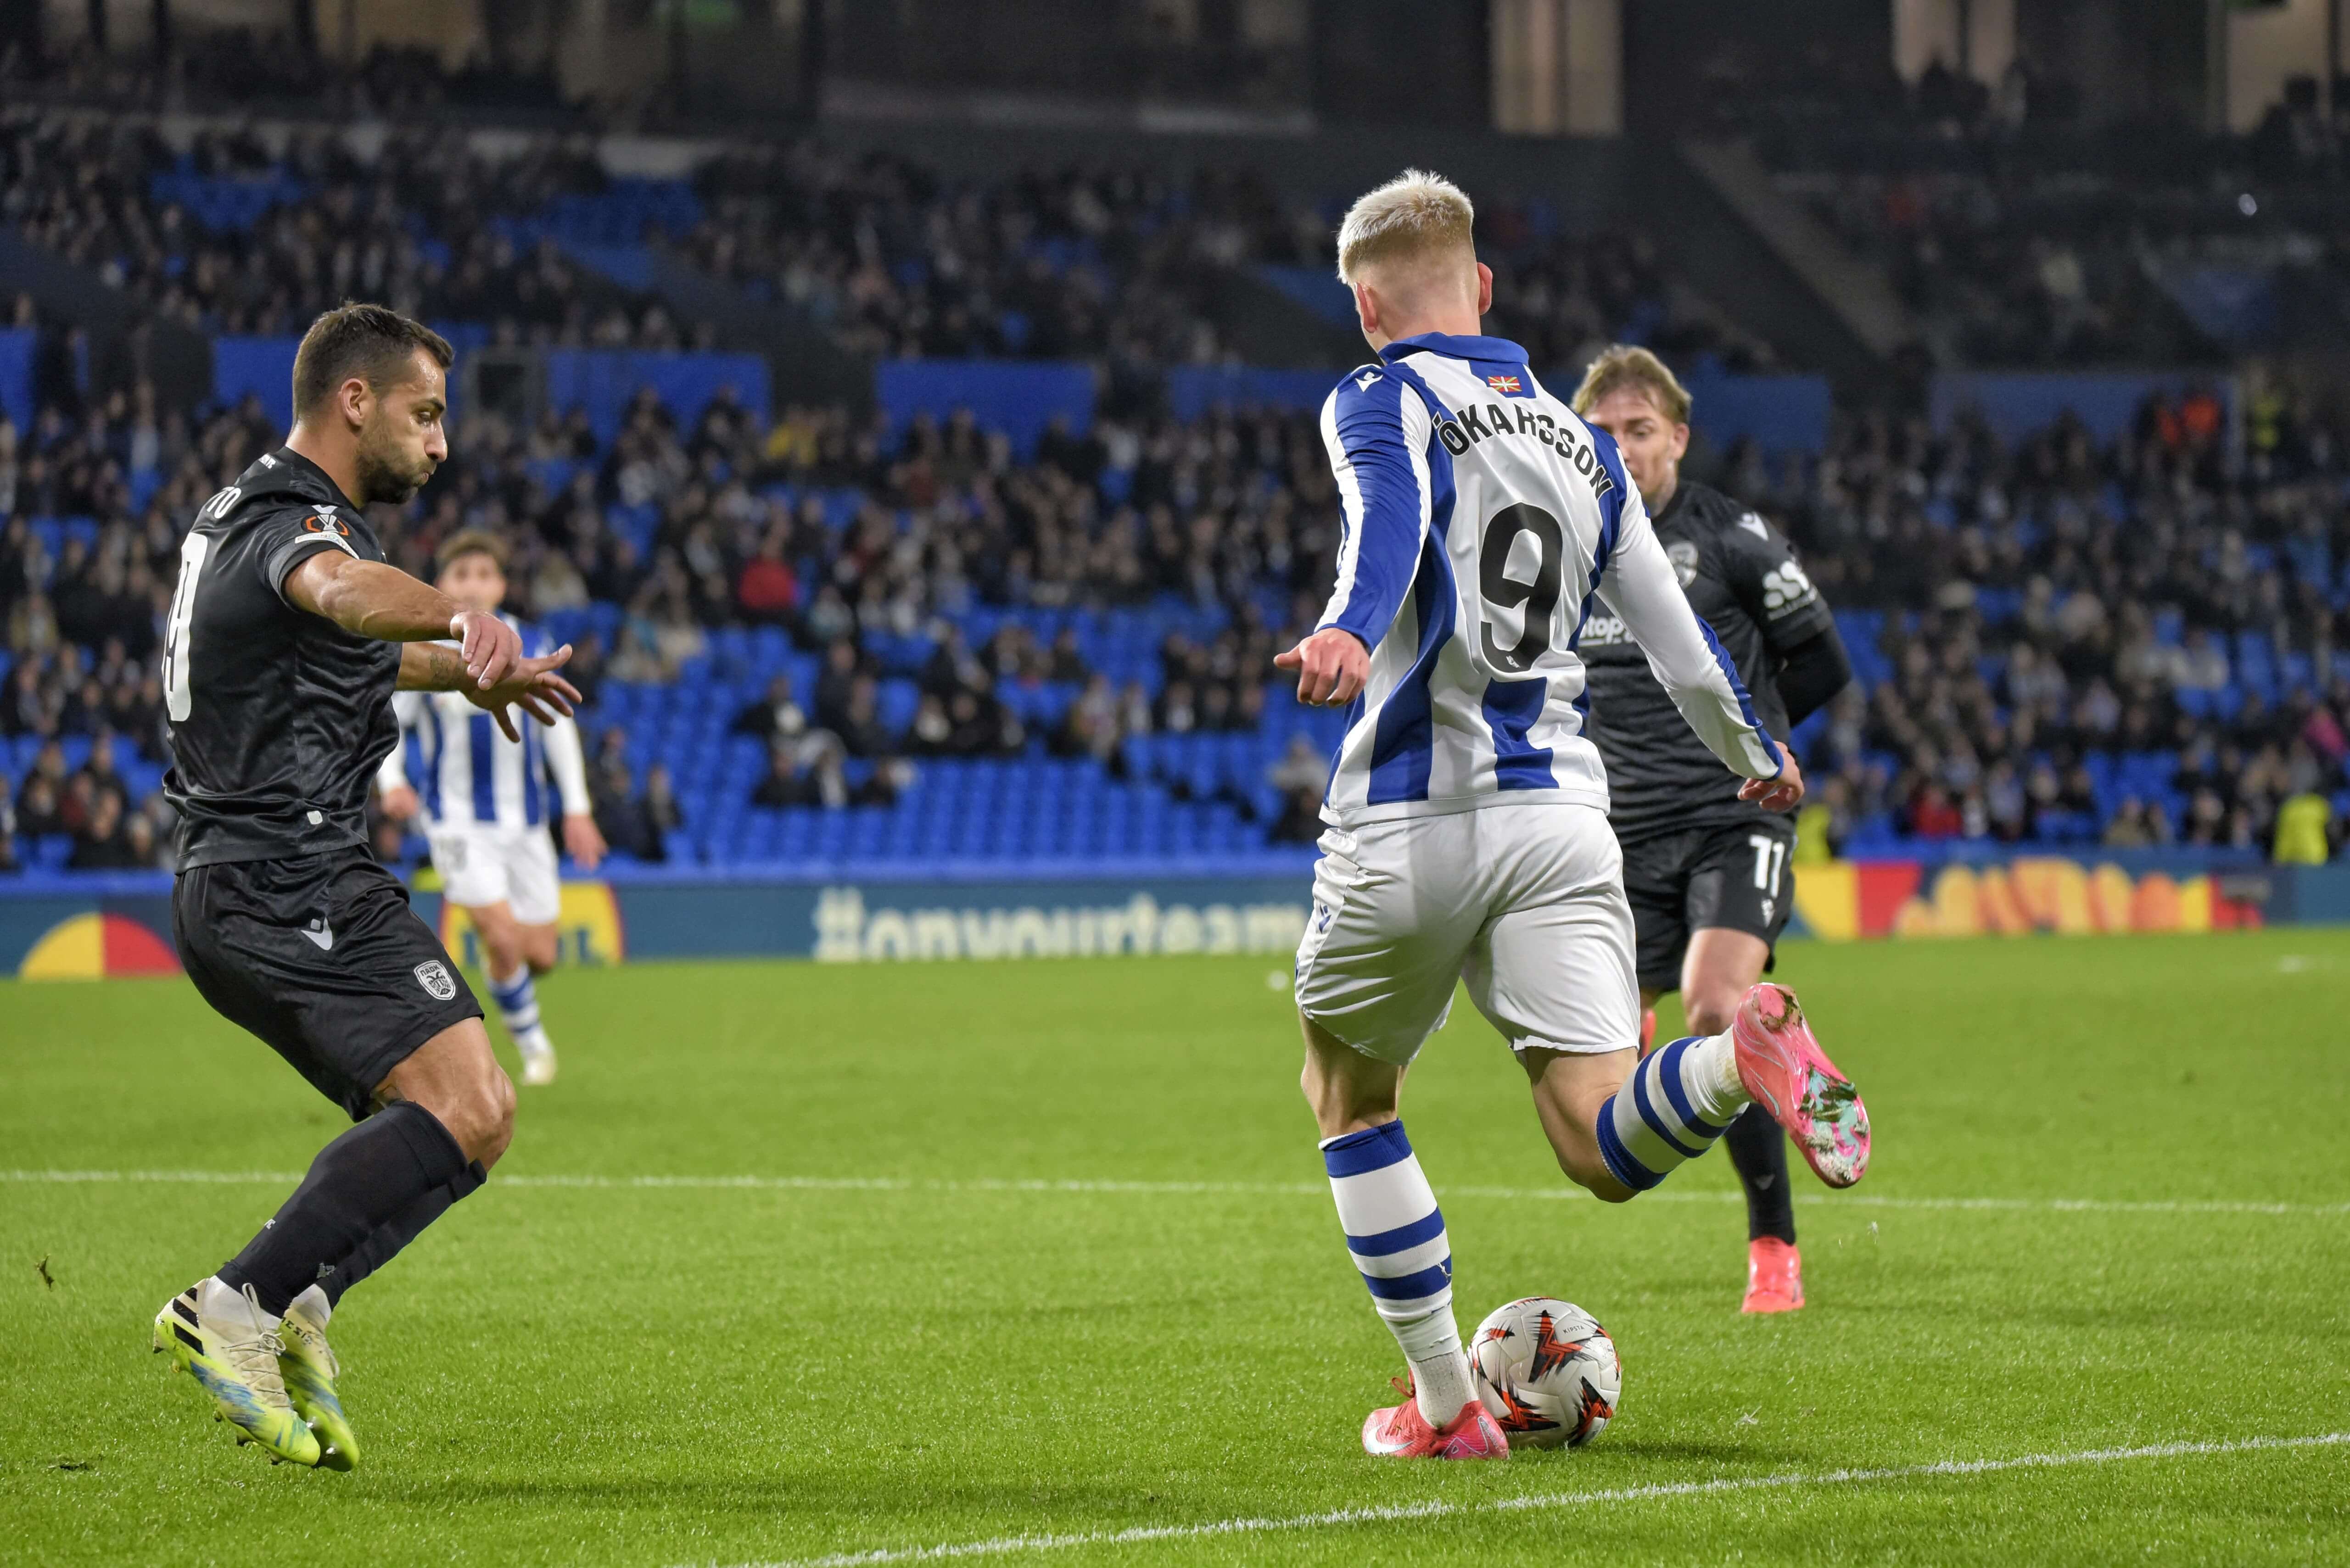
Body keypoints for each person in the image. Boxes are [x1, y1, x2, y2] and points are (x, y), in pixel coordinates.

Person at [1276, 172, 1870, 1462]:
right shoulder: (1585, 442)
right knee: (1604, 1139)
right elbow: (1674, 631)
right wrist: (1752, 752)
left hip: (1413, 817)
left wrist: (1345, 628)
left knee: (1352, 1098)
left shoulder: (1382, 394)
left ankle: (1444, 1413)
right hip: (1560, 823)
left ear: (1371, 309)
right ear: (1484, 290)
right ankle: (1734, 1059)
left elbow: (1391, 522)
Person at [150, 304, 579, 1472]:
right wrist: (461, 608)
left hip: (272, 876)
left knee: (475, 1112)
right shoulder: (300, 522)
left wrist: (465, 674)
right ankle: (235, 1303)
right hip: (282, 871)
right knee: (460, 1093)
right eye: (425, 414)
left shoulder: (243, 516)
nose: (440, 445)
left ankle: (298, 1303)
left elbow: (344, 643)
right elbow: (344, 596)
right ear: (355, 401)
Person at [1571, 346, 1856, 1316]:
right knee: (1597, 1064)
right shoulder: (1561, 547)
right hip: (1608, 835)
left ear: (1676, 438)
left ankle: (1772, 1245)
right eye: (1602, 432)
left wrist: (1764, 744)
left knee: (1715, 1004)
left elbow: (1821, 661)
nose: (1620, 447)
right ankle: (1662, 1040)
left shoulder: (1728, 534)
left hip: (1728, 819)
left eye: (1638, 430)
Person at [376, 529, 605, 1087]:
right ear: (442, 585)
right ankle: (534, 1049)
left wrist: (577, 809)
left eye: (484, 575)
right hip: (457, 824)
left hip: (526, 825)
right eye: (461, 575)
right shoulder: (428, 652)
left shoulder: (531, 641)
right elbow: (389, 719)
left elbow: (557, 730)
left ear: (502, 584)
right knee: (502, 938)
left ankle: (506, 984)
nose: (474, 585)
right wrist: (391, 783)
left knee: (541, 954)